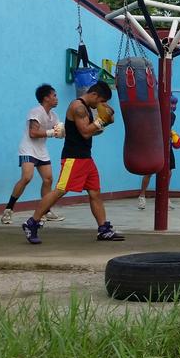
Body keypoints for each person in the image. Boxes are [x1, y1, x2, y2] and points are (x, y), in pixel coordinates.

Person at [22, 81, 125, 244]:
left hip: (86, 157)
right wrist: (100, 122)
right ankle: (32, 223)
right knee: (60, 191)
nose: (102, 105)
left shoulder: (86, 108)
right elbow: (85, 132)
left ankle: (103, 229)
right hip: (74, 158)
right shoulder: (78, 107)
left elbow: (90, 133)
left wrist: (102, 124)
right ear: (94, 95)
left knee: (95, 192)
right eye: (101, 101)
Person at [1, 84, 65, 225]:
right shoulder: (36, 112)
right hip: (28, 149)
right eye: (54, 95)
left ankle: (46, 211)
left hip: (41, 151)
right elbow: (33, 133)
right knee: (26, 177)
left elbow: (59, 131)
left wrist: (62, 133)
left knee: (48, 179)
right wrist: (51, 133)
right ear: (46, 98)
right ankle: (8, 210)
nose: (56, 98)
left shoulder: (54, 116)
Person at [138, 94, 180, 210]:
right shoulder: (153, 113)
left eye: (174, 103)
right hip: (154, 145)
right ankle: (142, 196)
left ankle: (165, 197)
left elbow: (165, 129)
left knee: (169, 171)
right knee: (150, 171)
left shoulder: (172, 115)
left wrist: (173, 134)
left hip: (166, 145)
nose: (173, 106)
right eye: (171, 103)